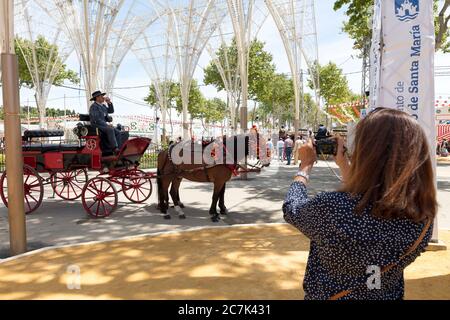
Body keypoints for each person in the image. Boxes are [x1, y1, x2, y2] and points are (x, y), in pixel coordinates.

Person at [283, 108, 436, 300]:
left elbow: (292, 208)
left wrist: (305, 166)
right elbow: (369, 199)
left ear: (366, 152)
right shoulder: (422, 217)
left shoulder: (332, 209)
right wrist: (344, 164)